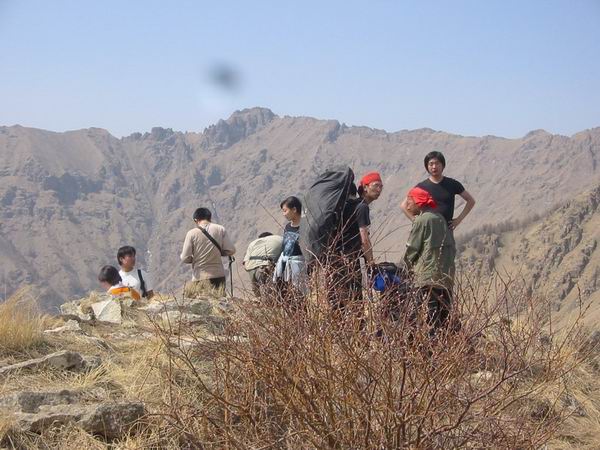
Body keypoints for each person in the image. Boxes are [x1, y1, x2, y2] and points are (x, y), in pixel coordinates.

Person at [403, 187, 456, 333]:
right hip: (445, 277)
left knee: (425, 317)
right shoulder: (440, 218)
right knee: (443, 318)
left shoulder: (422, 220)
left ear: (418, 202)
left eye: (409, 202)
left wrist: (406, 268)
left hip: (426, 277)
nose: (408, 207)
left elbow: (412, 248)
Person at [401, 151, 475, 230]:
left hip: (446, 230)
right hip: (428, 231)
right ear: (427, 167)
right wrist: (415, 220)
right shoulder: (421, 187)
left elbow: (471, 201)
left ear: (443, 165)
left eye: (437, 163)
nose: (434, 167)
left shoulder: (452, 184)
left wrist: (459, 220)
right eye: (431, 164)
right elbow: (403, 205)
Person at [180, 207, 236, 297]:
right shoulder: (220, 229)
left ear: (196, 220)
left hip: (200, 277)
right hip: (218, 275)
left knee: (201, 304)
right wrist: (219, 253)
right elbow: (231, 250)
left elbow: (185, 258)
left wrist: (195, 259)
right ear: (210, 218)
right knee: (219, 303)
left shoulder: (191, 233)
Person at [273, 196, 306, 295]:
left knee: (300, 292)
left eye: (285, 211)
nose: (284, 214)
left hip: (299, 264)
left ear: (294, 209)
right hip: (284, 263)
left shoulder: (305, 225)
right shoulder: (287, 227)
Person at [356, 171, 384, 266]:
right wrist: (371, 262)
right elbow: (364, 239)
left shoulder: (356, 205)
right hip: (351, 258)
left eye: (381, 187)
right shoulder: (362, 207)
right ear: (365, 187)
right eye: (376, 185)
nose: (379, 190)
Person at [243, 232, 283, 296]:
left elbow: (245, 262)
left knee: (258, 294)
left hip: (252, 268)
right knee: (273, 293)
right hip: (268, 266)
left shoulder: (253, 243)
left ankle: (259, 298)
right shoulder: (279, 239)